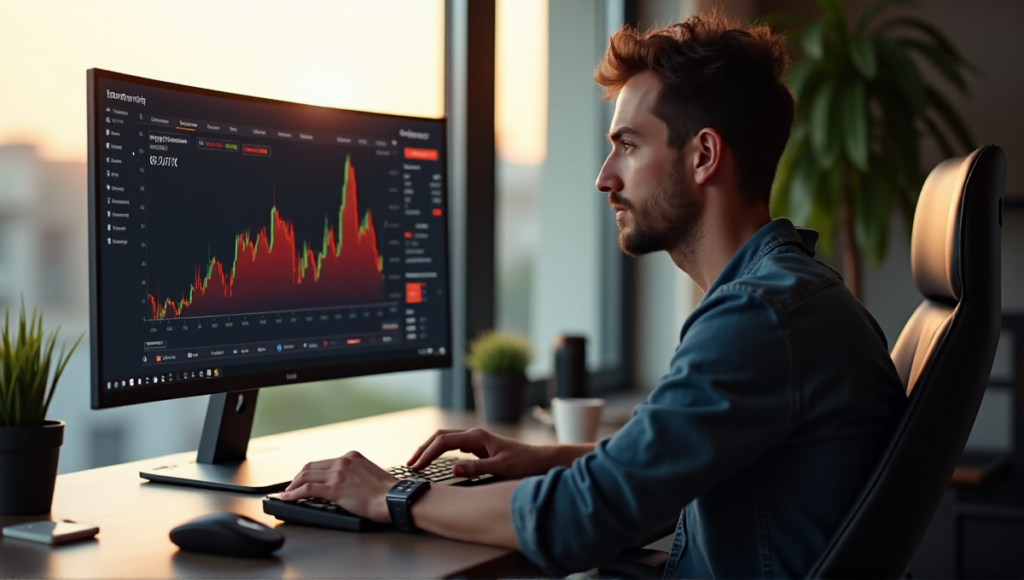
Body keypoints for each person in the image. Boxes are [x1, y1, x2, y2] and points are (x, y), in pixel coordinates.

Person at [278, 12, 907, 578]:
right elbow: (676, 466)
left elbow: (582, 521)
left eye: (628, 146)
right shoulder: (789, 294)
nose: (604, 178)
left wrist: (390, 495)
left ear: (704, 156)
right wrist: (544, 458)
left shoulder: (759, 317)